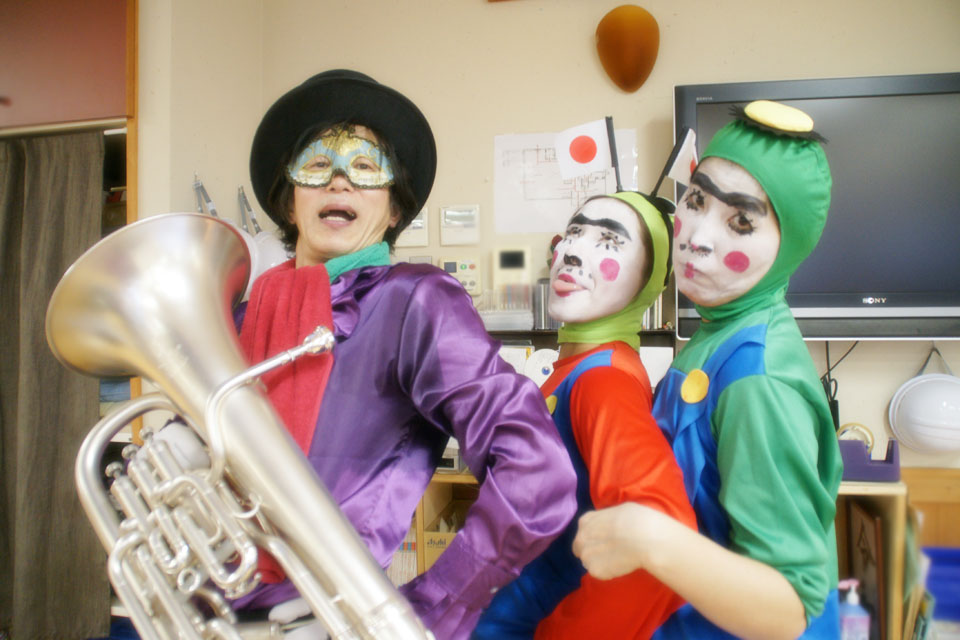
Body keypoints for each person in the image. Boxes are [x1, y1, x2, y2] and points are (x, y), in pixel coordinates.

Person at [230, 69, 578, 639]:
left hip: (326, 620)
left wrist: (426, 608)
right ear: (289, 202)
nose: (339, 181)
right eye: (316, 165)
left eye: (366, 167)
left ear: (394, 210)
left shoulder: (415, 298)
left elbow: (537, 472)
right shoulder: (246, 315)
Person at [572, 101, 843, 640]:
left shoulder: (759, 381)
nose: (696, 236)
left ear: (788, 247)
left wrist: (650, 537)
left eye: (740, 221)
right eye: (695, 200)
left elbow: (791, 608)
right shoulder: (718, 331)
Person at [472, 191, 697, 639]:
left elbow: (655, 553)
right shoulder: (579, 367)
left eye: (609, 242)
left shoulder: (603, 381)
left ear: (647, 283)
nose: (573, 252)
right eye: (574, 233)